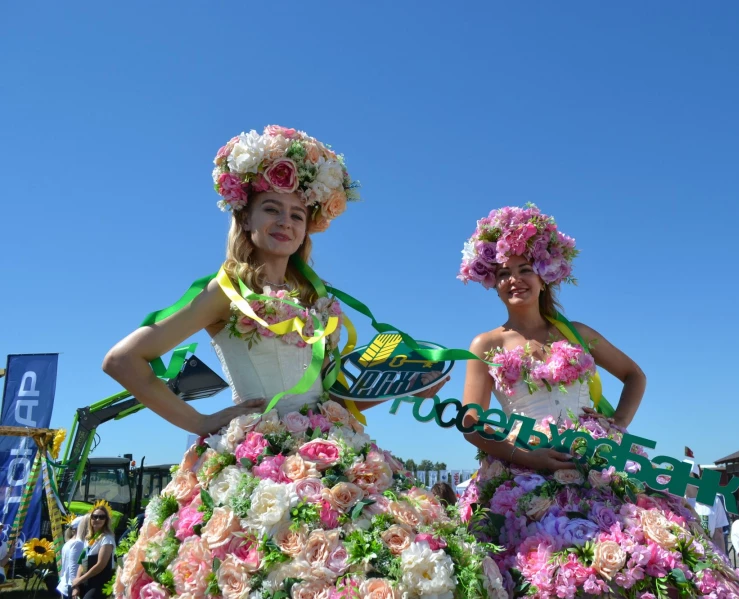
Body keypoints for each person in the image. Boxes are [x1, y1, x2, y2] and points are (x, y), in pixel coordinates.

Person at [102, 126, 495, 599]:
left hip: (337, 450)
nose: (285, 221)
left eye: (297, 213)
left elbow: (332, 393)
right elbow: (123, 361)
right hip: (254, 456)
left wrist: (404, 383)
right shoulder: (223, 292)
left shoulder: (318, 301)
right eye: (271, 208)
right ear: (245, 216)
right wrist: (202, 420)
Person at [456, 205, 739, 598]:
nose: (515, 280)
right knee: (546, 572)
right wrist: (528, 457)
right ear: (492, 283)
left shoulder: (578, 333)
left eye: (525, 269)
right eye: (503, 273)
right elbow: (470, 423)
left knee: (649, 553)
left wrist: (617, 423)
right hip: (524, 461)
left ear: (545, 276)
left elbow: (635, 376)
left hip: (602, 456)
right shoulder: (486, 343)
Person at [684, 460, 729, 553]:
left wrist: (725, 562)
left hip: (709, 557)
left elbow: (718, 535)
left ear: (694, 476)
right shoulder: (676, 501)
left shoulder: (713, 500)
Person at [72, 506, 116, 599]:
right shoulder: (89, 539)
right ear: (90, 519)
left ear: (106, 520)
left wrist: (80, 580)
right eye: (94, 516)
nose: (97, 519)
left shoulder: (107, 539)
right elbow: (82, 562)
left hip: (99, 582)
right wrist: (76, 584)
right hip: (87, 580)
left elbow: (100, 565)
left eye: (101, 517)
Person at [57, 517, 87, 599]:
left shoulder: (69, 542)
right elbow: (74, 566)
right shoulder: (79, 543)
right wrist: (75, 586)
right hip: (71, 585)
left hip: (66, 583)